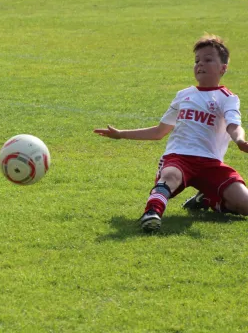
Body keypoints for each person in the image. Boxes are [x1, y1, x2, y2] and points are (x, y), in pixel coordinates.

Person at [94, 34, 248, 233]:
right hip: (179, 158)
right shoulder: (184, 95)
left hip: (211, 164)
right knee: (170, 175)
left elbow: (233, 125)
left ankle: (208, 198)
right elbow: (160, 131)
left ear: (223, 68)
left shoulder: (227, 98)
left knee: (244, 205)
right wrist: (121, 134)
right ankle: (152, 213)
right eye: (197, 61)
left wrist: (240, 140)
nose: (200, 64)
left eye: (208, 60)